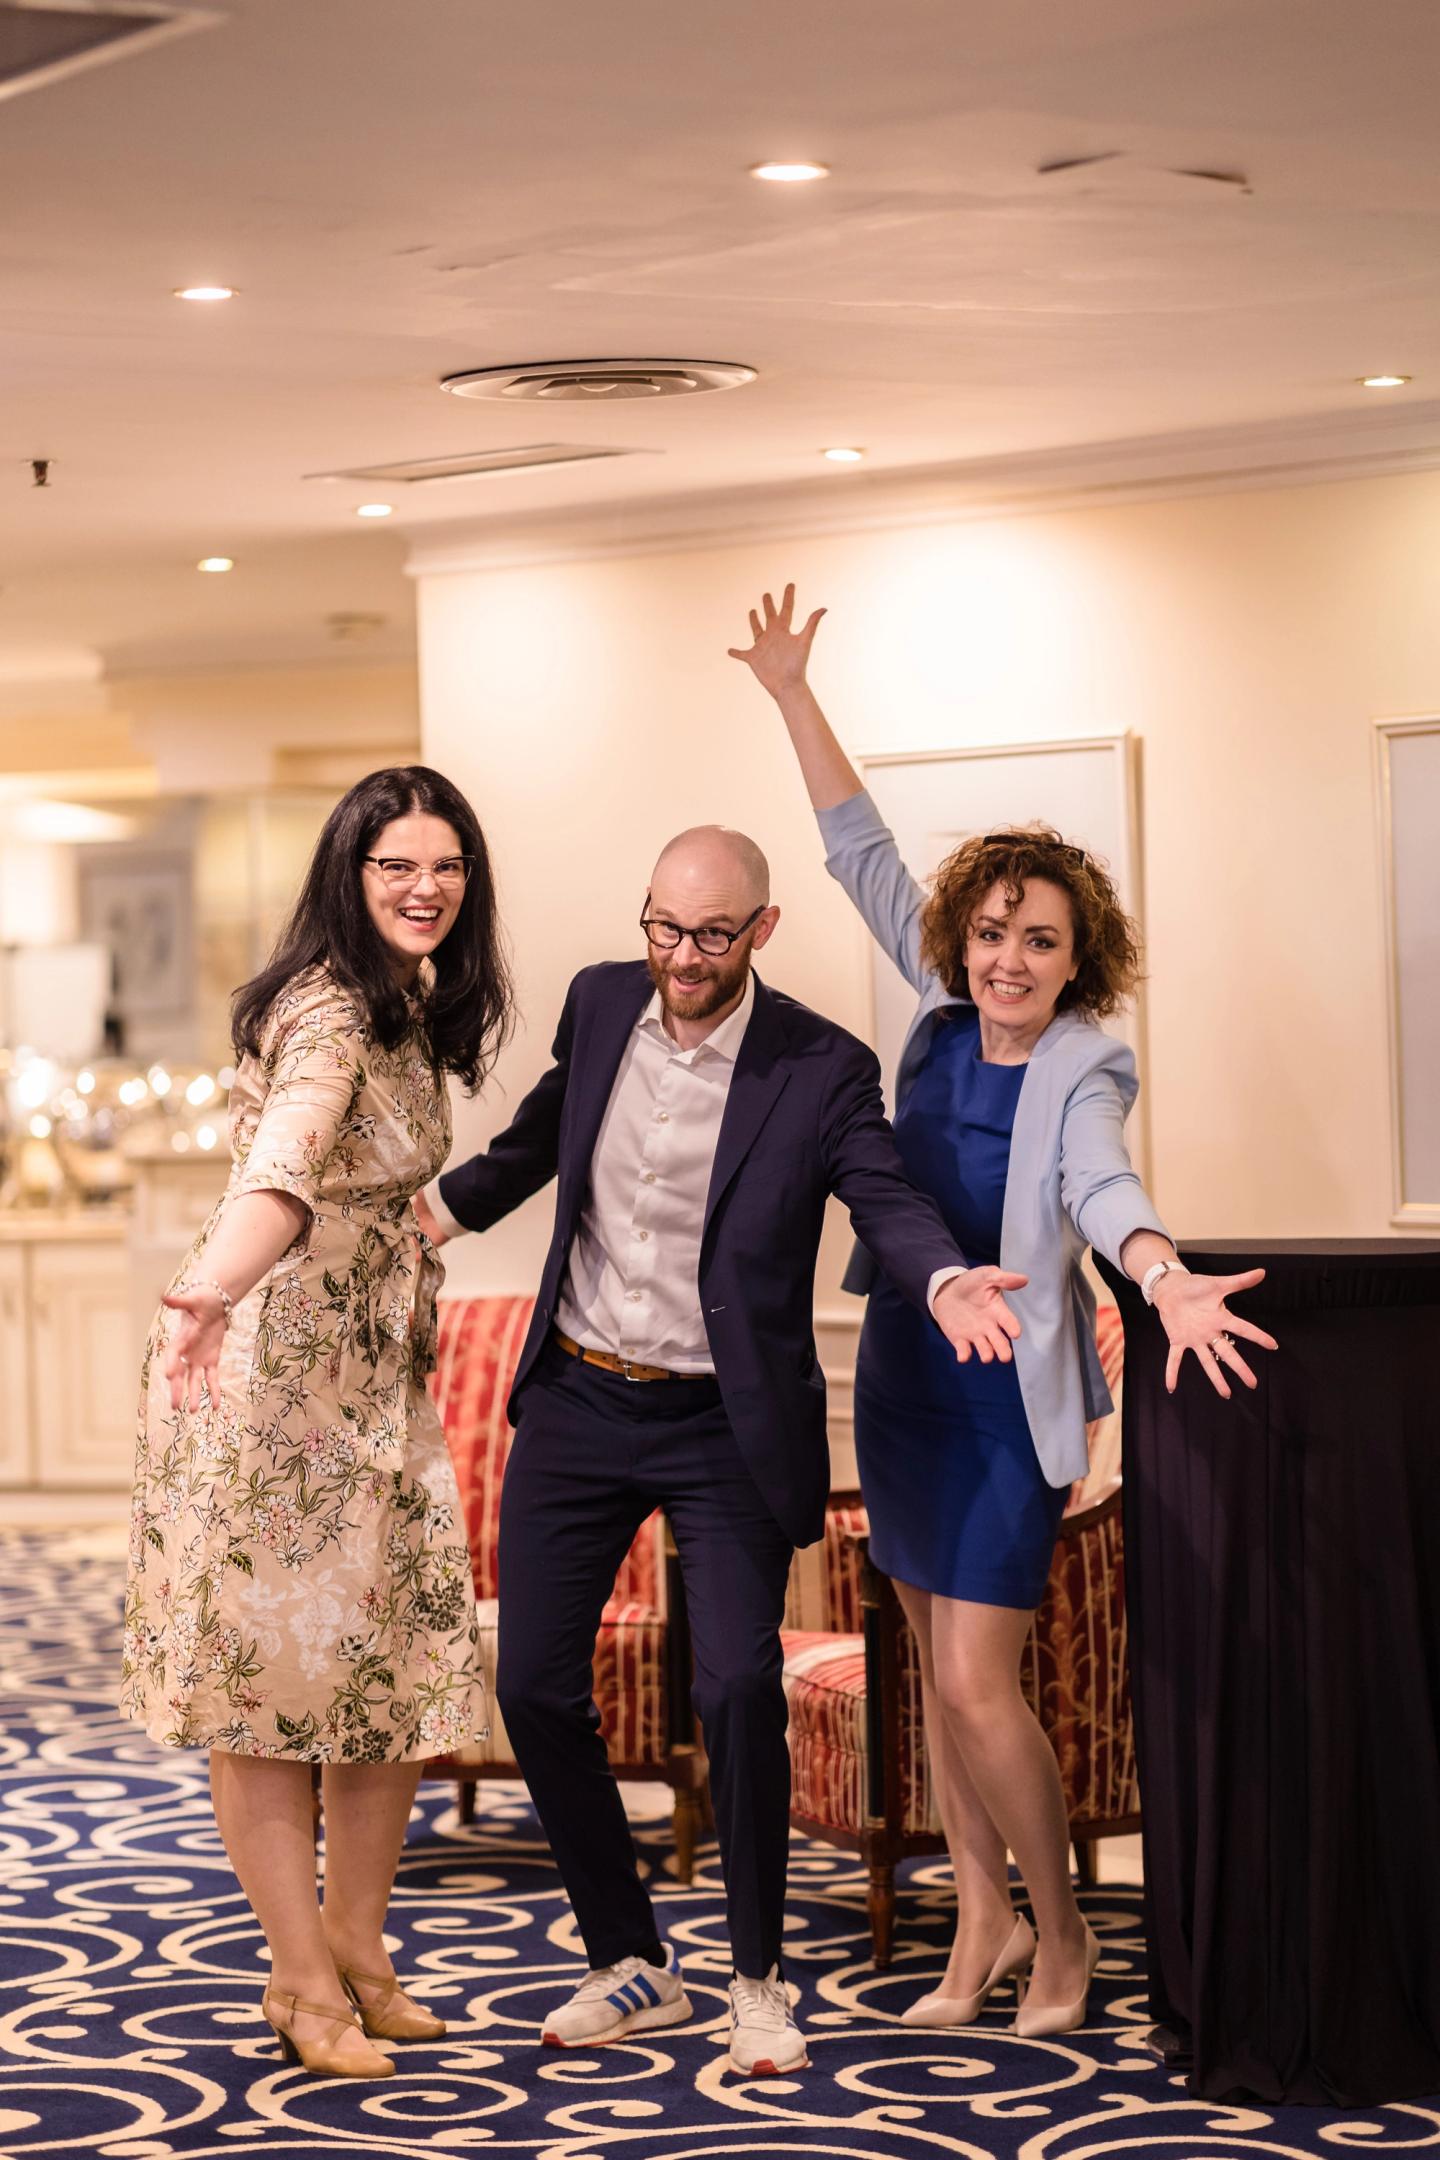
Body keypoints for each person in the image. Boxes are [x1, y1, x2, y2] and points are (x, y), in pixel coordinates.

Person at [730, 586, 1278, 2037]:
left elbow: (1103, 1189)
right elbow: (858, 850)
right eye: (988, 934)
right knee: (931, 1670)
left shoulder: (1087, 1064)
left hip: (1005, 1408)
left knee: (979, 1684)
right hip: (908, 1373)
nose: (1005, 961)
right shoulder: (932, 1012)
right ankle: (973, 1928)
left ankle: (1060, 1937)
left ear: (1074, 956)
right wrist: (792, 692)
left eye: (1036, 942)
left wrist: (1158, 1276)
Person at [412, 823, 1022, 2076]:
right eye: (663, 928)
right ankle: (630, 1962)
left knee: (737, 1688)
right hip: (580, 1397)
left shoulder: (819, 1065)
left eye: (710, 935)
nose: (680, 958)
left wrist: (948, 1277)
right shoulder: (599, 1004)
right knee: (530, 1685)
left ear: (762, 929)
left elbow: (882, 1189)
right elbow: (540, 1142)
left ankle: (756, 1981)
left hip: (719, 1421)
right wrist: (433, 1210)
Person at [120, 766, 512, 2079]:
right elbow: (282, 1170)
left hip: (373, 1389)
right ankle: (300, 1982)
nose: (423, 886)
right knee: (269, 1696)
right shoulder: (328, 1011)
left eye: (444, 864)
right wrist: (208, 1297)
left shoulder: (410, 1007)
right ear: (347, 876)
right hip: (270, 1389)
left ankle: (359, 1947)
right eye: (395, 864)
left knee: (387, 1685)